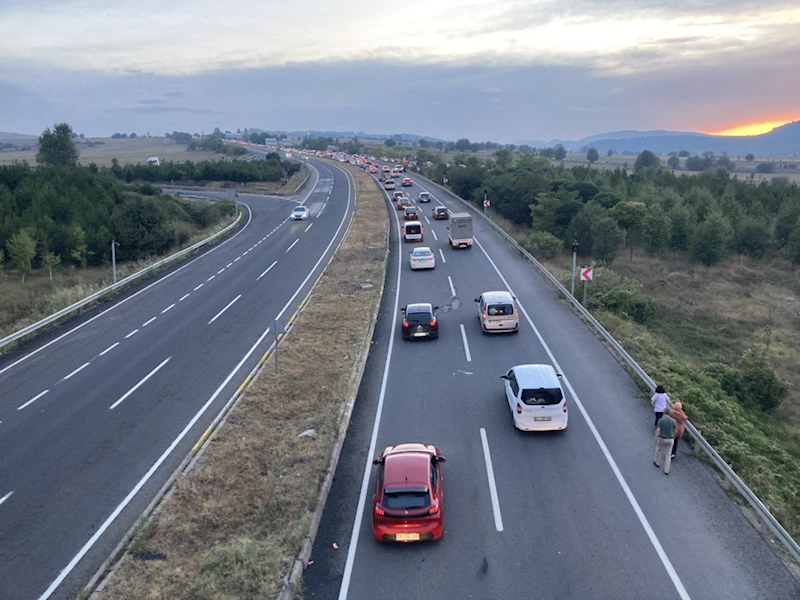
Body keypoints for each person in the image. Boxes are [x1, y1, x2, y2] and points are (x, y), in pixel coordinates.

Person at [654, 407, 677, 475]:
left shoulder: (661, 420)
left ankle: (657, 462)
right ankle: (666, 469)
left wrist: (655, 438)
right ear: (669, 413)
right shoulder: (673, 421)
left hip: (662, 438)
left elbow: (658, 430)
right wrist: (673, 437)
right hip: (670, 439)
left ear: (663, 413)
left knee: (658, 449)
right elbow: (675, 430)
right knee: (668, 454)